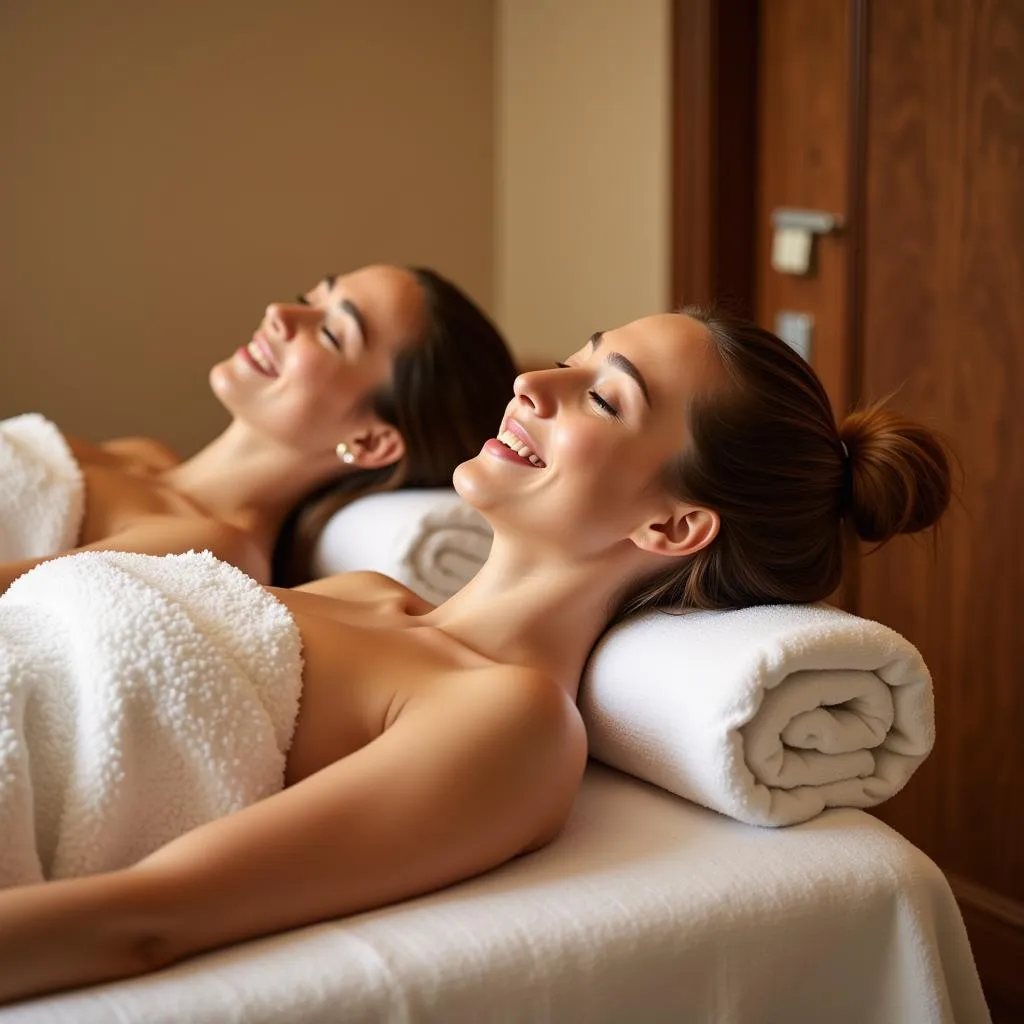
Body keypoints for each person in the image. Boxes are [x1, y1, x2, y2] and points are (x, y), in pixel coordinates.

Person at [0, 307, 951, 1005]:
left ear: (672, 524)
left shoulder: (512, 722)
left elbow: (148, 918)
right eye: (577, 356)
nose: (534, 384)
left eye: (604, 397)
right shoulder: (359, 595)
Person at [0, 264, 518, 593]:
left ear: (371, 441)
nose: (280, 314)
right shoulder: (143, 453)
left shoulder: (213, 545)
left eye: (333, 333)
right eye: (308, 298)